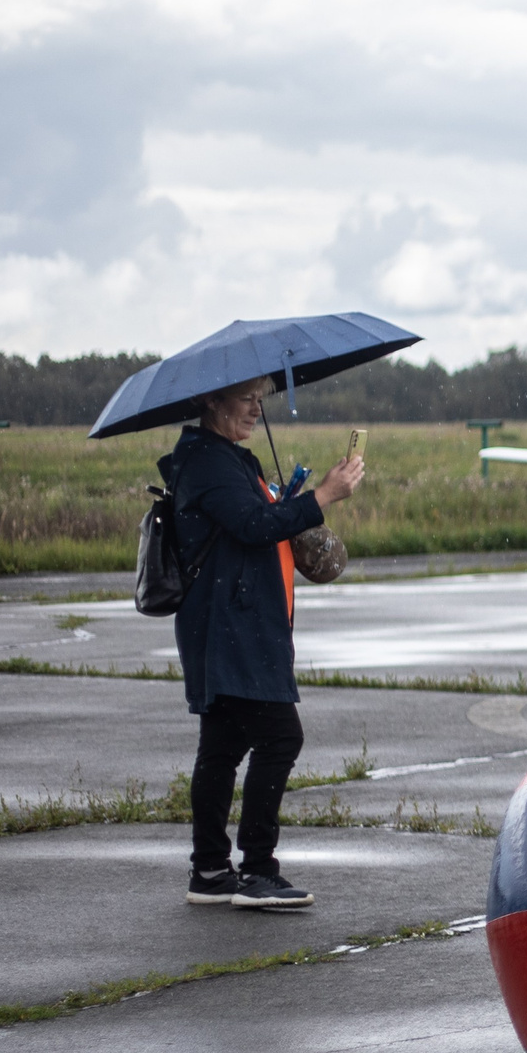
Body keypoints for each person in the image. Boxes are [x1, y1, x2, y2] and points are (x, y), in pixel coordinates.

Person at [164, 376, 364, 909]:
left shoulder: (230, 458)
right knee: (280, 738)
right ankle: (256, 870)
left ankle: (209, 871)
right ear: (210, 397)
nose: (256, 409)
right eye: (246, 398)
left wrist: (292, 503)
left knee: (223, 747)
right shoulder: (207, 461)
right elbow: (252, 526)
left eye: (261, 399)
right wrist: (322, 497)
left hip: (237, 624)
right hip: (234, 630)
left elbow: (254, 524)